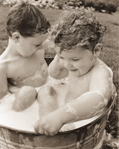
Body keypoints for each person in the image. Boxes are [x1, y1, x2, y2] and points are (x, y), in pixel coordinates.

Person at [34, 8, 115, 136]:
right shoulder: (73, 63)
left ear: (96, 51)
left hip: (82, 118)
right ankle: (46, 120)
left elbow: (98, 99)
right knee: (45, 92)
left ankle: (54, 122)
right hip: (64, 106)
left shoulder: (99, 72)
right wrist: (59, 59)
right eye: (61, 57)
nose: (66, 64)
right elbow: (55, 75)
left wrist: (60, 117)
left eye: (74, 59)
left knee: (62, 119)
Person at [0, 1, 50, 99]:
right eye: (37, 44)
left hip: (49, 90)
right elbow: (3, 99)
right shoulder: (3, 67)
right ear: (17, 38)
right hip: (27, 104)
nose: (41, 47)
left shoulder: (38, 47)